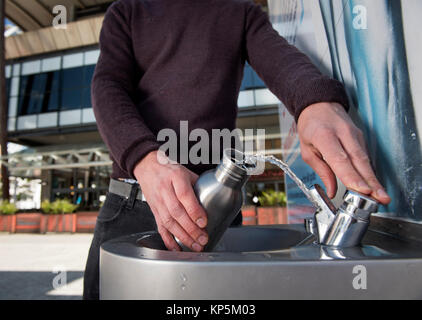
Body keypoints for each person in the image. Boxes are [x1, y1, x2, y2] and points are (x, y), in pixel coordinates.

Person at [83, 0, 391, 300]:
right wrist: (146, 159)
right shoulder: (127, 10)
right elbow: (108, 87)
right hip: (134, 203)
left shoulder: (239, 11)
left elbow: (281, 59)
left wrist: (314, 103)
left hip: (215, 213)